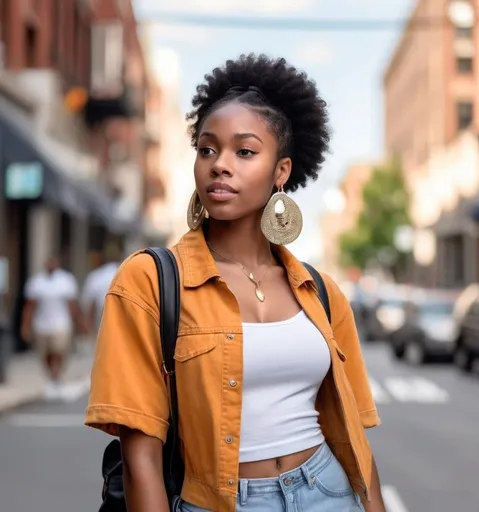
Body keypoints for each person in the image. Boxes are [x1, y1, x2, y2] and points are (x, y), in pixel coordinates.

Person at [86, 54, 386, 512]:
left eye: (244, 151)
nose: (219, 164)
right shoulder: (149, 280)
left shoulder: (322, 293)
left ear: (280, 171)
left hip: (328, 491)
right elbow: (140, 451)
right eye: (208, 149)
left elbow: (354, 438)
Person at [21, 256, 81, 400]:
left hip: (61, 324)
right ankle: (52, 375)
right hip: (41, 325)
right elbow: (30, 306)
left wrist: (78, 324)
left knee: (58, 351)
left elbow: (72, 304)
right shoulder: (36, 282)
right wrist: (25, 326)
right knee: (46, 354)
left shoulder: (66, 280)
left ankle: (55, 375)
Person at [81, 244, 121, 338]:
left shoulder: (95, 276)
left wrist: (87, 324)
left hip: (101, 326)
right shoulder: (125, 273)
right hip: (121, 326)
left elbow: (89, 304)